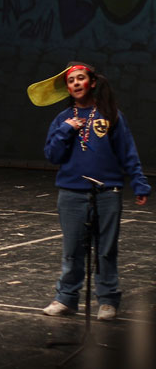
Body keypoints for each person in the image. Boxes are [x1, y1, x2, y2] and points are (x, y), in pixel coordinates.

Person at [28, 62, 150, 321]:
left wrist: (139, 183)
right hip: (72, 193)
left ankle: (107, 301)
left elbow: (128, 153)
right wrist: (67, 130)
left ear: (91, 82)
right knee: (73, 250)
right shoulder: (62, 119)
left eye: (80, 79)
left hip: (108, 192)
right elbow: (52, 155)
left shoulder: (111, 114)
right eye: (71, 81)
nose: (75, 84)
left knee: (106, 249)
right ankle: (66, 299)